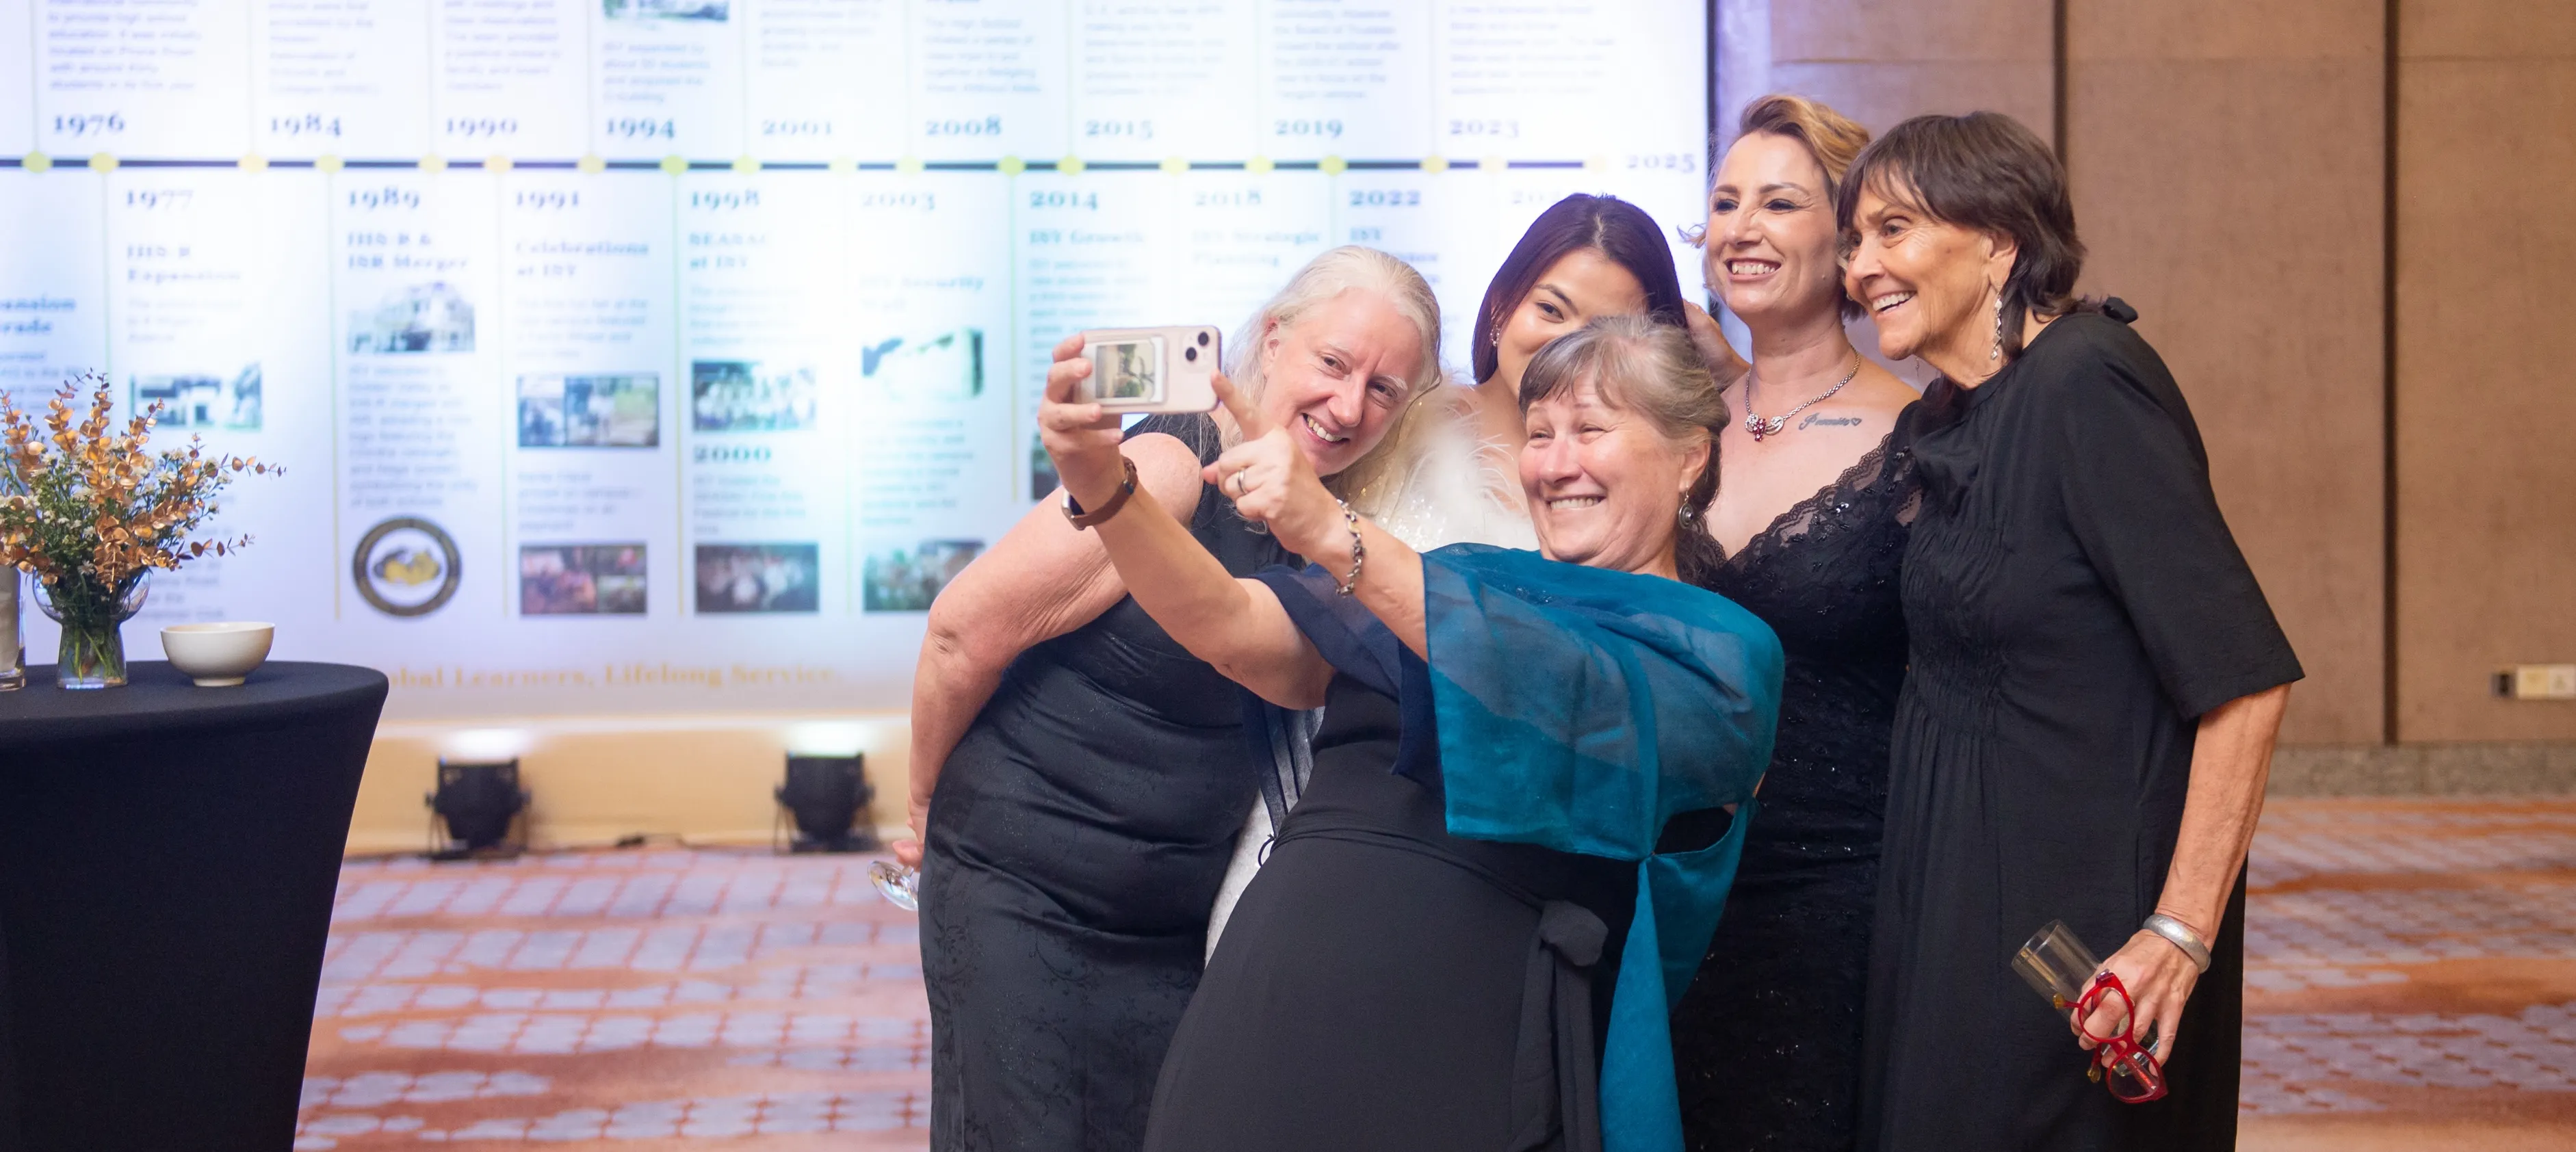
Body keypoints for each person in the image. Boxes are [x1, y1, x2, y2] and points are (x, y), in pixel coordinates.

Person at [1039, 313, 1784, 1152]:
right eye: (1539, 433)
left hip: (1466, 1036)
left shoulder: (1722, 652)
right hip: (1274, 990)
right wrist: (1106, 490)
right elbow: (1229, 626)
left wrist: (1332, 530)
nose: (1554, 463)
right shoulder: (1454, 576)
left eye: (1590, 430)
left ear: (1689, 457)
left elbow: (1559, 686)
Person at [898, 246, 1447, 1152]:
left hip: (1167, 921)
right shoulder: (1165, 465)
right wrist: (923, 804)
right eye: (1333, 363)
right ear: (1273, 340)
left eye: (1383, 389)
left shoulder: (1330, 522)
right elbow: (962, 631)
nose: (1349, 406)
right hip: (1022, 888)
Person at [1838, 112, 2300, 1150]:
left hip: (2081, 935)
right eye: (1853, 241)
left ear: (1999, 242)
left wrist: (2177, 933)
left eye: (1893, 230)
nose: (1861, 266)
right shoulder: (1947, 417)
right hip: (1955, 904)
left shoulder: (2086, 379)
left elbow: (2243, 679)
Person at [1205, 192, 1713, 950]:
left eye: (1601, 331)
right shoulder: (1392, 413)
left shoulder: (1620, 500)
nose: (1565, 345)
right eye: (1551, 308)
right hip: (1315, 811)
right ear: (1503, 306)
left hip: (1485, 871)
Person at [1667, 94, 1919, 1152]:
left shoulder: (1919, 433)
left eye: (1778, 203)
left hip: (1841, 887)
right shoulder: (1678, 430)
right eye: (1726, 203)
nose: (1742, 228)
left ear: (1848, 239)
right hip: (1679, 882)